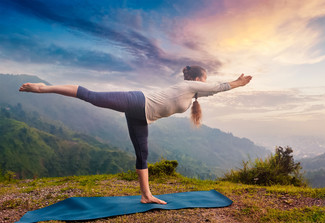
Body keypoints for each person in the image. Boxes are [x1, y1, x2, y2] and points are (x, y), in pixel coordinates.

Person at [19, 66, 252, 204]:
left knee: (143, 154)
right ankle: (43, 88)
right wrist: (238, 83)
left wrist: (233, 85)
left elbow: (211, 93)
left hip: (141, 116)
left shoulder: (191, 93)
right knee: (92, 96)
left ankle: (146, 196)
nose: (206, 82)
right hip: (136, 100)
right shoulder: (190, 86)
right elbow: (217, 87)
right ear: (198, 79)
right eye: (205, 78)